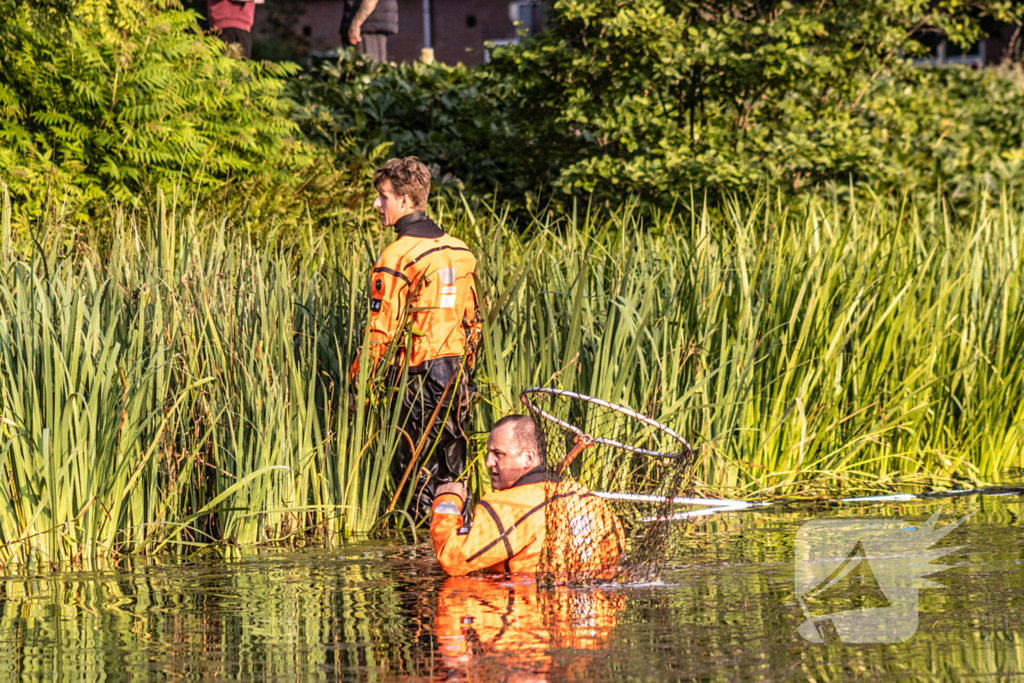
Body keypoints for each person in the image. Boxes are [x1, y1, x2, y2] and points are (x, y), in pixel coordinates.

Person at [352, 157, 481, 521]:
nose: (377, 205)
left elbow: (381, 330)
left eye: (384, 197)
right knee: (452, 469)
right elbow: (473, 322)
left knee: (415, 475)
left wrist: (357, 382)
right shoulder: (461, 250)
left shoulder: (396, 256)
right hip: (456, 376)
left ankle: (418, 557)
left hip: (415, 378)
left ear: (405, 201)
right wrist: (466, 371)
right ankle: (457, 543)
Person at [430, 415, 625, 577]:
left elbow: (452, 558)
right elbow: (617, 548)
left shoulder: (508, 506)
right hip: (589, 616)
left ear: (528, 458)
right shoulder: (588, 499)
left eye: (498, 454)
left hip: (528, 613)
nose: (489, 462)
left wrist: (447, 500)